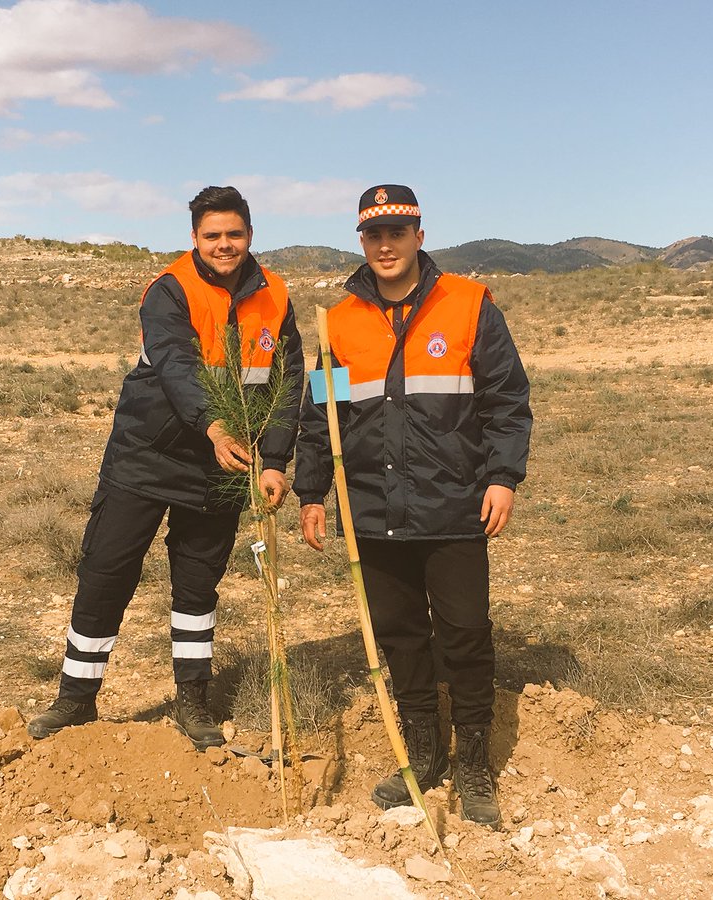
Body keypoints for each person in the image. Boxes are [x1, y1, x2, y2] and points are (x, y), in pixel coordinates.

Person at [28, 186, 304, 750]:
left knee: (198, 586)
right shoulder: (168, 290)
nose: (224, 245)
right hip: (146, 456)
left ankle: (194, 701)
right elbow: (178, 364)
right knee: (106, 573)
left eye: (234, 234)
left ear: (250, 234)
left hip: (224, 465)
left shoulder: (275, 295)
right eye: (212, 236)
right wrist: (215, 424)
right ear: (194, 238)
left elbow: (287, 383)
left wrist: (274, 459)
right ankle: (76, 699)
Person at [293, 185, 531, 826]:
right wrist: (311, 491)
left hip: (454, 507)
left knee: (465, 634)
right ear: (361, 242)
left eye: (397, 232)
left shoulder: (470, 304)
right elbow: (324, 418)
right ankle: (424, 757)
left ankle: (475, 763)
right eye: (374, 234)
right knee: (401, 637)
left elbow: (507, 399)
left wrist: (503, 476)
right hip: (374, 512)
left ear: (420, 236)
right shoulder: (336, 324)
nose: (386, 245)